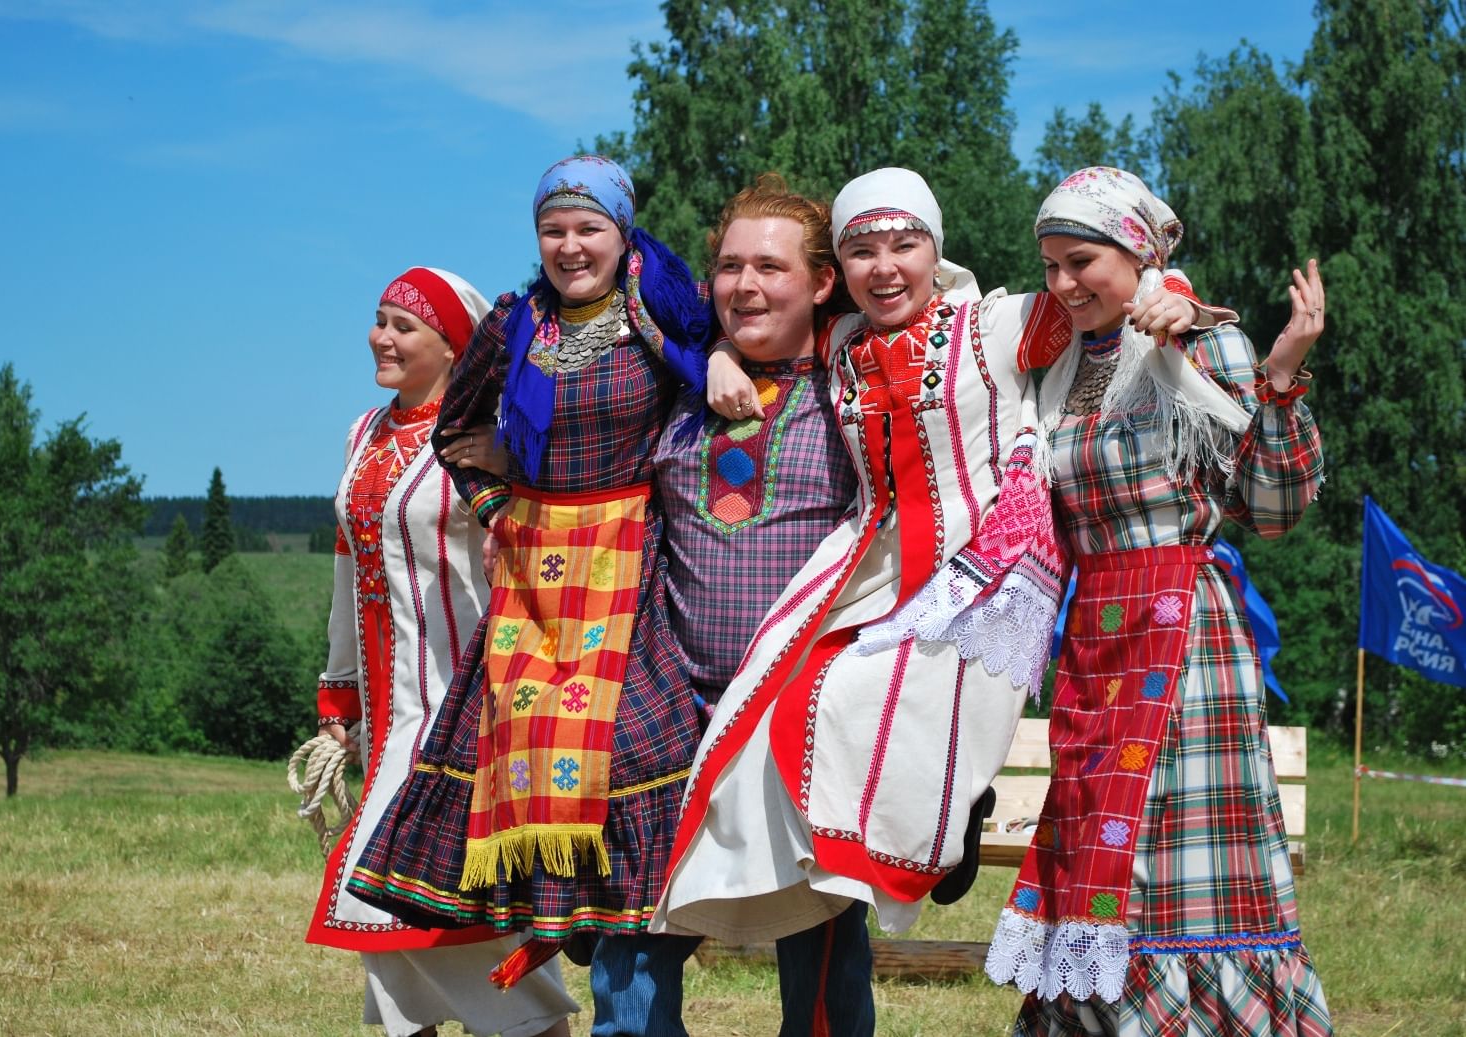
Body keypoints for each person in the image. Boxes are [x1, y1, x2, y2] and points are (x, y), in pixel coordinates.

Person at [655, 167, 1211, 946]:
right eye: (862, 250)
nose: (884, 266)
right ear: (839, 270)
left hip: (981, 563)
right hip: (872, 560)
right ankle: (813, 874)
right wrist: (719, 354)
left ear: (934, 248)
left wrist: (1171, 289)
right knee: (767, 706)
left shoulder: (998, 322)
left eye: (903, 245)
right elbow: (761, 315)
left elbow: (1105, 288)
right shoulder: (843, 337)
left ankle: (940, 831)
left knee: (849, 695)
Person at [348, 157, 741, 1037]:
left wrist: (715, 357)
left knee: (628, 763)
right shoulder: (513, 323)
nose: (570, 246)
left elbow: (718, 363)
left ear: (620, 230)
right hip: (532, 575)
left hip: (633, 564)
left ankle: (630, 1009)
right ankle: (555, 985)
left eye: (587, 227)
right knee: (526, 772)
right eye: (553, 230)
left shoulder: (665, 308)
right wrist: (496, 509)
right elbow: (455, 429)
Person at [982, 166, 1331, 1036]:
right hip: (1092, 639)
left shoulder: (1203, 345)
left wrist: (1279, 377)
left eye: (1082, 260)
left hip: (1184, 639)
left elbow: (1274, 510)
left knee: (1164, 860)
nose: (1063, 284)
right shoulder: (1056, 365)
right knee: (1095, 858)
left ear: (1135, 252)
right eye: (1050, 265)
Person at [306, 267, 576, 1037]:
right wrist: (339, 697)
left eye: (404, 325)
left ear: (452, 347)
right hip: (393, 715)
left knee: (447, 910)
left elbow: (532, 557)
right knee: (387, 916)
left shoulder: (484, 435)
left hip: (469, 711)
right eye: (379, 318)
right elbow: (345, 566)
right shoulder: (362, 434)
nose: (381, 337)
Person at [651, 173, 874, 1035]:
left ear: (821, 282)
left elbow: (950, 291)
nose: (746, 285)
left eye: (771, 268)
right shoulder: (669, 391)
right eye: (729, 267)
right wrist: (707, 350)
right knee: (638, 945)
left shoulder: (860, 389)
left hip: (800, 717)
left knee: (821, 965)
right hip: (673, 713)